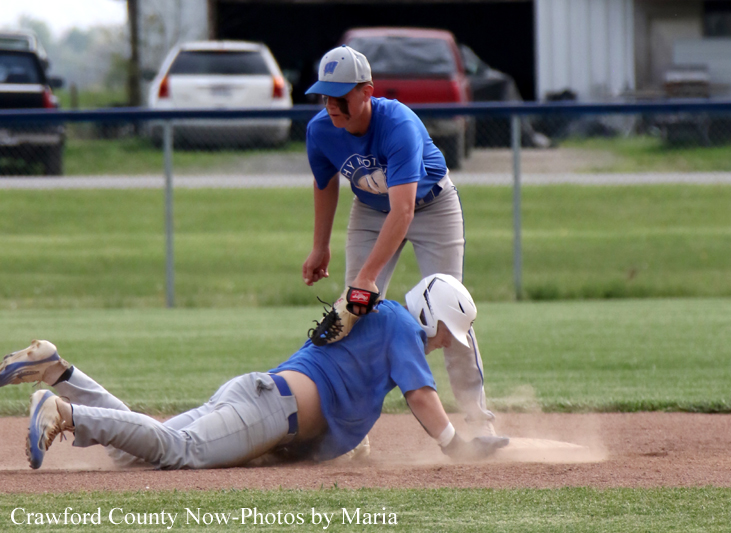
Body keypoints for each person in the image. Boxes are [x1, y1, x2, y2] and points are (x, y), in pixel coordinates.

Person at [1, 274, 508, 470]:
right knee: (182, 452)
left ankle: (59, 372)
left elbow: (346, 400)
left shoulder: (386, 328)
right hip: (271, 407)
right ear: (431, 316)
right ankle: (65, 412)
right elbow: (421, 397)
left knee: (137, 452)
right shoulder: (401, 324)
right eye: (446, 332)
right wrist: (454, 444)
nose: (445, 343)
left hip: (263, 400)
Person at [301, 45, 495, 437]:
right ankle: (352, 434)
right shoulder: (320, 130)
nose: (331, 106)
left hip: (433, 206)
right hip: (371, 212)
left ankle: (478, 423)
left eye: (340, 96)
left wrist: (367, 277)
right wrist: (320, 246)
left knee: (447, 312)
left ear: (366, 92)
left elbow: (403, 211)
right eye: (325, 96)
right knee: (352, 316)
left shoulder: (398, 124)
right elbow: (325, 186)